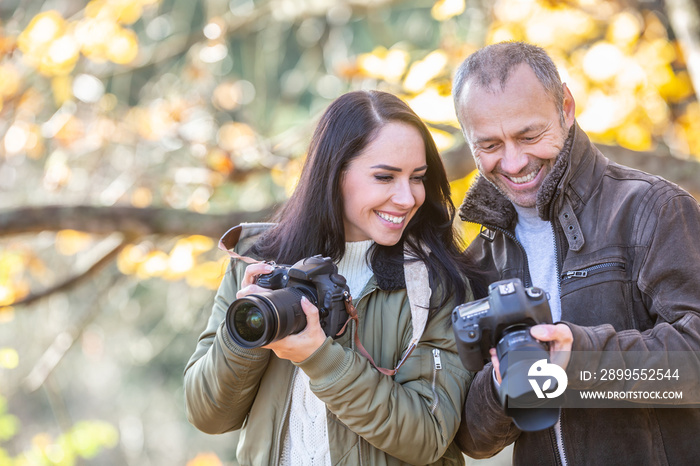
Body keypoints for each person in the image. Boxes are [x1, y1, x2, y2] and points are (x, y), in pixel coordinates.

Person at [184, 90, 480, 465]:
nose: (407, 198)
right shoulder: (259, 259)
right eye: (385, 177)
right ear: (335, 173)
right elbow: (206, 414)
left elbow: (428, 435)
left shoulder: (435, 283)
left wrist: (320, 357)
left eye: (417, 178)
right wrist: (244, 335)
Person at [451, 41, 700, 465]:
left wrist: (581, 361)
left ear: (566, 107)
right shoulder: (477, 260)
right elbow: (474, 440)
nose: (513, 163)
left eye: (529, 135)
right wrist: (500, 384)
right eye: (489, 146)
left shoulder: (652, 209)